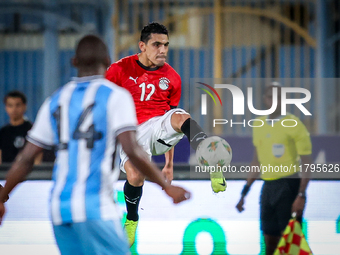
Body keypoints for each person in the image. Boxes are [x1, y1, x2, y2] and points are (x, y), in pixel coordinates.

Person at [0, 35, 190, 255]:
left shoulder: (56, 100)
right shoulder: (115, 97)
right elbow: (132, 150)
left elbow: (26, 158)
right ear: (108, 61)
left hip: (59, 211)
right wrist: (166, 186)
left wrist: (4, 194)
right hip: (95, 207)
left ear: (74, 62)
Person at [106, 22, 226, 246]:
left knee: (182, 117)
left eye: (166, 45)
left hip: (158, 127)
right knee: (134, 176)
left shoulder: (172, 77)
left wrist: (168, 164)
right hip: (131, 133)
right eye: (156, 44)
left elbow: (171, 123)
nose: (162, 50)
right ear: (142, 45)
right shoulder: (119, 69)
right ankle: (132, 219)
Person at [236, 83, 312, 255]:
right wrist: (244, 193)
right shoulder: (258, 125)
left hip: (289, 185)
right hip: (268, 187)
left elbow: (307, 163)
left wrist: (301, 194)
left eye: (278, 97)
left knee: (293, 242)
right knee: (269, 242)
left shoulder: (294, 124)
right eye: (270, 97)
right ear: (265, 100)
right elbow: (256, 162)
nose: (274, 101)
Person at [0, 91, 42, 164]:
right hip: (6, 174)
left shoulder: (32, 131)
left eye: (18, 105)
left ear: (24, 106)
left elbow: (37, 157)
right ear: (6, 108)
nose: (14, 109)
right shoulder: (2, 132)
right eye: (10, 105)